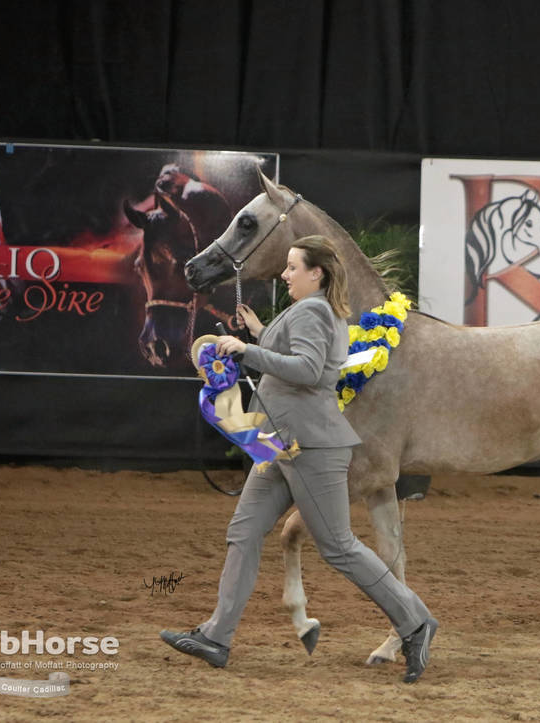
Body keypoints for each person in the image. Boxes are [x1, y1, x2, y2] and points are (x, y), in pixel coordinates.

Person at [160, 234, 438, 684]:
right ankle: (216, 635)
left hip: (308, 446)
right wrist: (259, 334)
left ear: (317, 273)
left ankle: (417, 622)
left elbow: (308, 370)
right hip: (283, 442)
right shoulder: (317, 309)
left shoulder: (312, 309)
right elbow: (303, 356)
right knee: (244, 530)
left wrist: (248, 350)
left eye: (293, 267)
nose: (285, 274)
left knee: (339, 547)